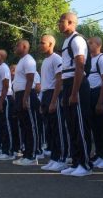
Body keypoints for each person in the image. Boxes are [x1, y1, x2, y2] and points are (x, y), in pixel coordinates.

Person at [58, 12, 92, 177]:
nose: (58, 23)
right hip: (68, 84)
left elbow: (80, 66)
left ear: (71, 22)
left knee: (79, 125)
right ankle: (76, 161)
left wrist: (74, 92)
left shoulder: (77, 40)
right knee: (71, 125)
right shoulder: (66, 41)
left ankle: (85, 165)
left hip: (76, 84)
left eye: (61, 21)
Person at [39, 34, 68, 172]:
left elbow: (59, 80)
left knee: (58, 128)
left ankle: (62, 158)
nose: (40, 45)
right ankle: (54, 158)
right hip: (45, 94)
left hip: (53, 94)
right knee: (50, 129)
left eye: (42, 42)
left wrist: (54, 100)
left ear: (51, 44)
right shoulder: (45, 61)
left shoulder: (57, 59)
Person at [87, 36, 103, 169]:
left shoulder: (102, 59)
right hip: (90, 95)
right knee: (95, 128)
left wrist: (100, 102)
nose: (89, 45)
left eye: (91, 43)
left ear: (99, 44)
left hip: (100, 94)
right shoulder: (89, 60)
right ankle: (99, 154)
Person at [12, 39, 39, 166]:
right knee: (24, 126)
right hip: (19, 95)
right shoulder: (21, 61)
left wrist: (25, 98)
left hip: (26, 94)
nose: (15, 48)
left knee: (30, 126)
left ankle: (32, 156)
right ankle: (26, 154)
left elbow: (30, 80)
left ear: (24, 46)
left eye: (17, 46)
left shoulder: (29, 60)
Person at [0, 49, 15, 161]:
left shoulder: (4, 68)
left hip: (4, 99)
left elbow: (6, 86)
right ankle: (4, 149)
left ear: (1, 56)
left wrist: (1, 103)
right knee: (0, 125)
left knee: (6, 125)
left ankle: (9, 151)